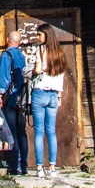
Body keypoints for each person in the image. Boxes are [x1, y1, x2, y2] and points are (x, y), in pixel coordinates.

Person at [30, 24, 68, 179]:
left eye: (39, 35)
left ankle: (39, 167)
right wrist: (59, 96)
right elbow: (61, 76)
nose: (38, 38)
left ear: (46, 35)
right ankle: (52, 167)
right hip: (53, 95)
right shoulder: (60, 53)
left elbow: (38, 70)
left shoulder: (40, 50)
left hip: (40, 93)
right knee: (51, 132)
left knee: (39, 132)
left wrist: (33, 69)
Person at [0, 28, 28, 176]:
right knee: (22, 132)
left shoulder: (5, 56)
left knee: (12, 133)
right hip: (22, 98)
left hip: (10, 98)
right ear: (19, 42)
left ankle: (14, 166)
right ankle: (24, 165)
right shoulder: (22, 56)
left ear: (8, 40)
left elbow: (4, 78)